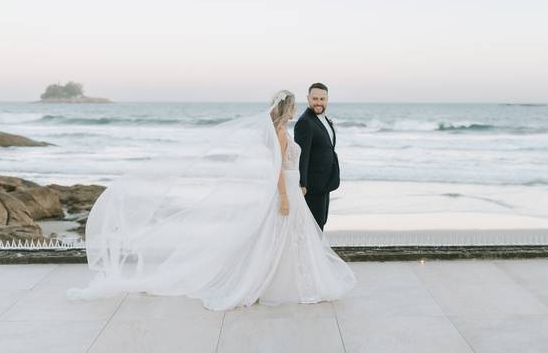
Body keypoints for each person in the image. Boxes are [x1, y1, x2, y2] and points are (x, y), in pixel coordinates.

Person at [67, 90, 355, 311]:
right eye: (293, 106)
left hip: (292, 188)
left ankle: (290, 280)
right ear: (287, 108)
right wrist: (283, 196)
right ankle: (272, 284)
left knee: (287, 239)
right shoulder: (280, 133)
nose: (296, 110)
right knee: (280, 238)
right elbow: (278, 168)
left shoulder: (282, 130)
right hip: (286, 189)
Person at [294, 83, 339, 230]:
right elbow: (302, 155)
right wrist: (302, 183)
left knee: (321, 223)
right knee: (313, 228)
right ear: (308, 98)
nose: (318, 102)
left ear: (327, 99)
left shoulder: (324, 120)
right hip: (312, 187)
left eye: (322, 99)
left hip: (325, 183)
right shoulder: (305, 122)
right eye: (315, 99)